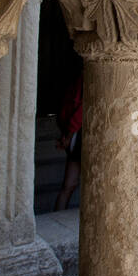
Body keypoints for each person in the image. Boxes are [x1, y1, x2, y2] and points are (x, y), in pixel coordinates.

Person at [54, 70, 83, 211]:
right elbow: (81, 111)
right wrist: (69, 135)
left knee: (69, 185)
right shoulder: (85, 79)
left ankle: (58, 216)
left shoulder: (77, 80)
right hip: (80, 136)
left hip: (75, 136)